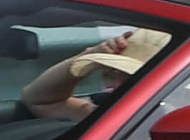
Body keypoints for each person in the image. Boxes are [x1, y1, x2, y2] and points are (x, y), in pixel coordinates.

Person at [19, 27, 172, 121]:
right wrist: (91, 54)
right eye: (114, 72)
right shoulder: (108, 113)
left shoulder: (172, 121)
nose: (116, 85)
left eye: (133, 78)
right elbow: (38, 100)